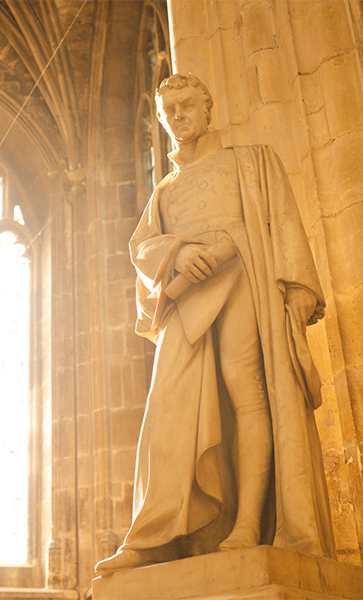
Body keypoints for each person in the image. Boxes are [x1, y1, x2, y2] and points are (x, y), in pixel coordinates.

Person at [94, 73, 335, 575]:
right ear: (161, 122)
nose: (179, 116)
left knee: (245, 388)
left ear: (208, 110)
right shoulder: (163, 190)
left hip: (243, 275)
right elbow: (142, 247)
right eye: (169, 111)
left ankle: (247, 522)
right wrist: (178, 253)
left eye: (187, 105)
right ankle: (158, 530)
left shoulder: (249, 161)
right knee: (169, 406)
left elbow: (280, 222)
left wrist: (233, 246)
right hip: (189, 297)